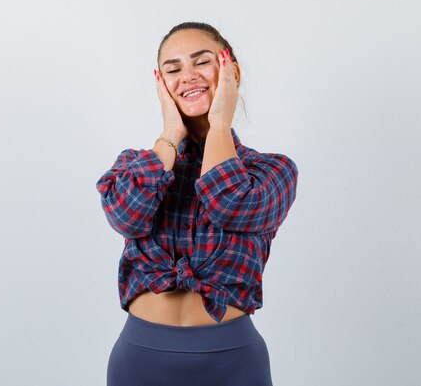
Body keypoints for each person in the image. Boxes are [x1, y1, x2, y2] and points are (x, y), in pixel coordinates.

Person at [96, 21, 299, 386]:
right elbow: (126, 216)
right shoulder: (135, 165)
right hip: (140, 358)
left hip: (234, 362)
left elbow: (229, 204)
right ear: (161, 85)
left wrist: (219, 122)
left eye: (201, 62)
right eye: (173, 70)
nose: (187, 76)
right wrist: (171, 134)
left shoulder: (271, 170)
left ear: (230, 71)